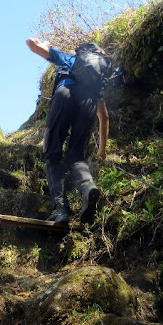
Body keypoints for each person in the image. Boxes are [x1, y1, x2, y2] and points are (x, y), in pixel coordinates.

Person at [26, 37, 109, 224]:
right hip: (88, 104)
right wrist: (102, 150)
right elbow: (104, 117)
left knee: (52, 154)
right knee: (76, 157)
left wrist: (46, 46)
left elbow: (31, 44)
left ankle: (61, 209)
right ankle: (88, 188)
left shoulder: (72, 59)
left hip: (65, 96)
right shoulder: (96, 80)